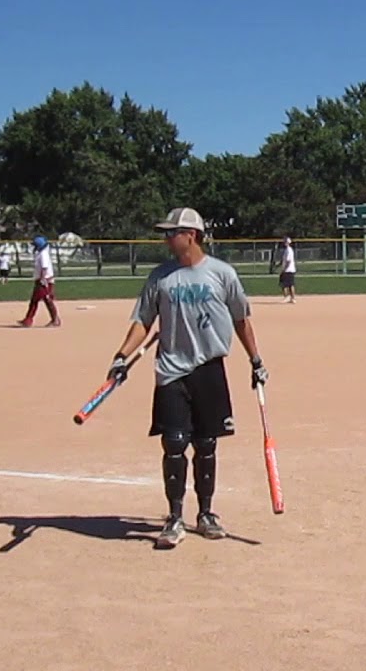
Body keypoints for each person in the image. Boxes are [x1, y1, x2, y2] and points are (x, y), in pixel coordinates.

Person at [107, 207, 270, 550]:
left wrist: (255, 360)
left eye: (172, 233)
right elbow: (143, 322)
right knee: (175, 443)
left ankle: (206, 514)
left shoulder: (222, 274)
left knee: (207, 445)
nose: (166, 238)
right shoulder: (160, 278)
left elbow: (242, 320)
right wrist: (121, 357)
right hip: (171, 369)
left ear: (191, 235)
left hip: (209, 368)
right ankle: (175, 517)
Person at [18, 235, 60, 327]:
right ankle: (28, 320)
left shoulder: (43, 254)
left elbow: (44, 268)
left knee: (44, 300)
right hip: (41, 280)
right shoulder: (40, 253)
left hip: (44, 280)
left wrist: (43, 279)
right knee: (38, 300)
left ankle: (54, 320)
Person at [279, 236, 297, 304]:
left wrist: (284, 269)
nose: (284, 243)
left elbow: (288, 261)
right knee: (290, 284)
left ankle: (287, 297)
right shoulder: (287, 250)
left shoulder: (288, 250)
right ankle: (292, 298)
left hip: (288, 270)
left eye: (285, 241)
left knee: (285, 284)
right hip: (289, 270)